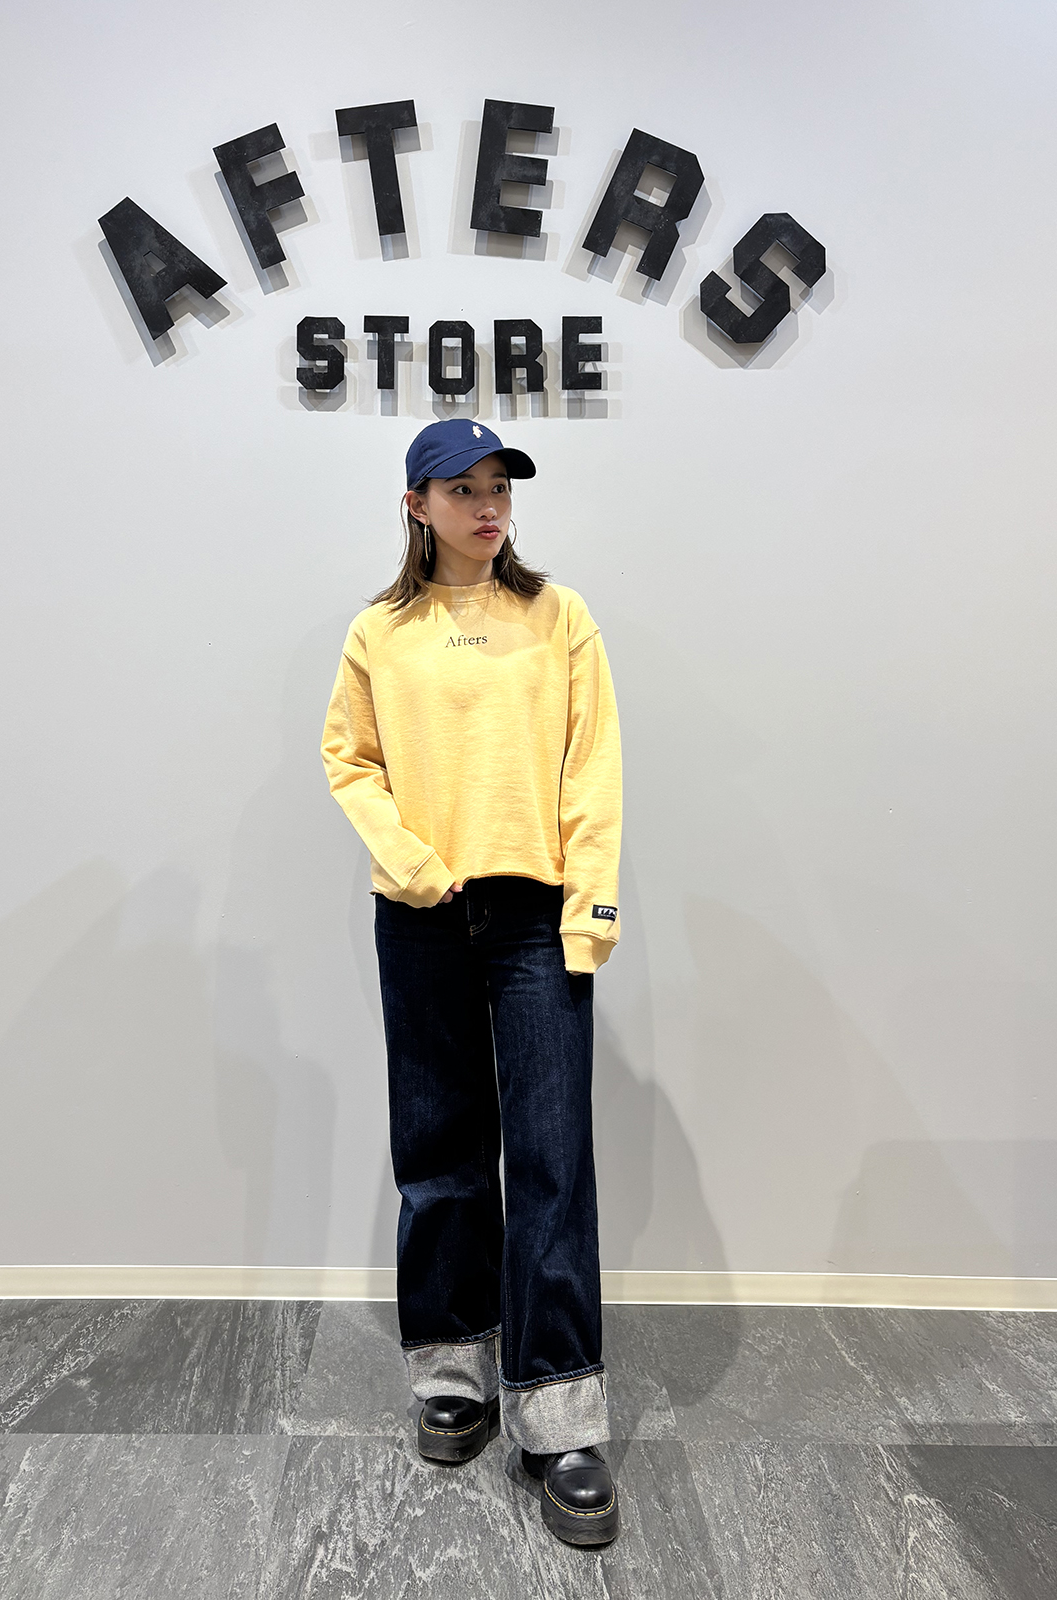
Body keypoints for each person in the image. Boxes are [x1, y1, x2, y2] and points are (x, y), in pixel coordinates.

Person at [320, 417, 623, 1547]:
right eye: (464, 489)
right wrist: (411, 865)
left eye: (500, 487)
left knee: (551, 1158)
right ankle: (452, 1371)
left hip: (535, 912)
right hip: (423, 915)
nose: (489, 506)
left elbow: (593, 766)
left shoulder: (559, 616)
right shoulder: (381, 631)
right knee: (441, 1149)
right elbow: (349, 758)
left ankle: (561, 1414)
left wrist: (591, 907)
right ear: (416, 505)